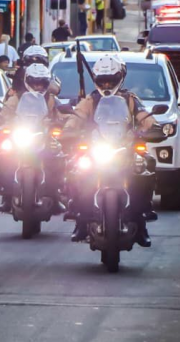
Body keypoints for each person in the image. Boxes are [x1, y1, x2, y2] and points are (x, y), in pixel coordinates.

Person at [64, 55, 157, 247]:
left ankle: (141, 222)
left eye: (110, 80)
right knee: (76, 171)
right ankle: (81, 219)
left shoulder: (130, 99)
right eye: (102, 80)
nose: (106, 84)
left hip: (125, 149)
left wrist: (153, 127)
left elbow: (145, 116)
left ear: (120, 78)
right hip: (97, 148)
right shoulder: (91, 99)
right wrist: (68, 130)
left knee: (145, 168)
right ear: (96, 80)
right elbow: (77, 116)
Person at [0, 63, 65, 213]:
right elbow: (4, 113)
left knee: (57, 158)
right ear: (28, 82)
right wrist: (0, 121)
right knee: (4, 155)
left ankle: (55, 195)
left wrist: (61, 123)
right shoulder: (17, 98)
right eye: (35, 83)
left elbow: (64, 116)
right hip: (22, 136)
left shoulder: (52, 99)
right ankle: (7, 194)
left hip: (44, 138)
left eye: (42, 83)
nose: (38, 86)